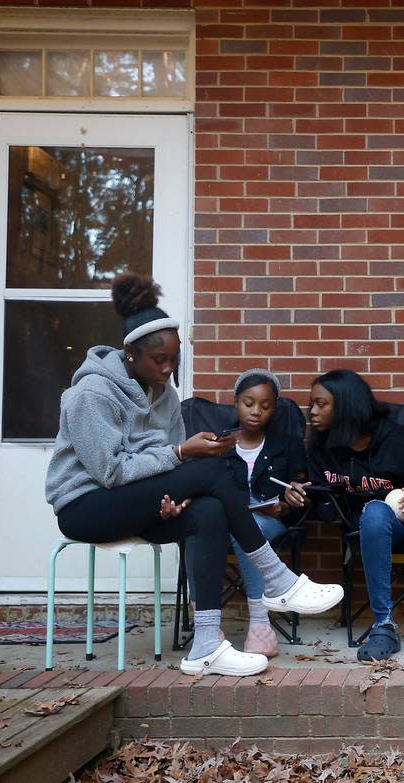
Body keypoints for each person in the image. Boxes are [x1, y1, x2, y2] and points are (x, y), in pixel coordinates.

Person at [45, 273, 343, 677]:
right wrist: (183, 453)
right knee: (210, 469)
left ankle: (206, 644)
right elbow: (112, 472)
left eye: (174, 358)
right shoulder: (91, 394)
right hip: (86, 505)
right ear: (131, 354)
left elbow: (166, 467)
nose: (169, 368)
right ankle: (277, 580)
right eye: (159, 360)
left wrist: (175, 498)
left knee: (209, 512)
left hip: (138, 502)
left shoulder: (163, 394)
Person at [287, 369, 404, 660]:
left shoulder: (394, 439)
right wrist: (301, 495)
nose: (312, 412)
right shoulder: (321, 447)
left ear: (346, 406)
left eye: (321, 404)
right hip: (373, 529)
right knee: (375, 512)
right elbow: (324, 507)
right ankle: (383, 625)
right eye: (311, 404)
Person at [185, 369, 306, 657]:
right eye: (248, 403)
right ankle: (205, 622)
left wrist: (289, 500)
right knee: (194, 530)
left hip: (269, 520)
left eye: (265, 406)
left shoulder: (286, 444)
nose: (256, 412)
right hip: (221, 523)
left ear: (274, 409)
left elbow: (300, 490)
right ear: (236, 402)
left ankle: (260, 626)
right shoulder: (217, 444)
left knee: (247, 526)